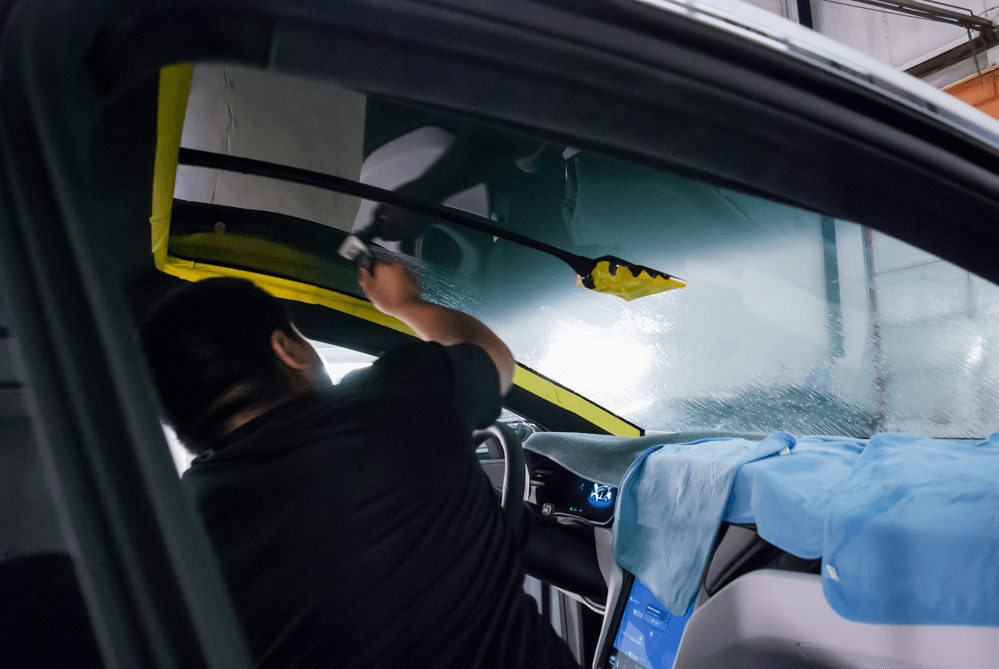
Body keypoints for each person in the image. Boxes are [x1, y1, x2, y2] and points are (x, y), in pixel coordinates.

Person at [139, 261, 581, 669]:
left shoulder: (168, 545)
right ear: (286, 349)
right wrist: (405, 303)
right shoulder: (393, 401)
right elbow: (493, 357)